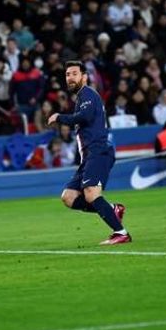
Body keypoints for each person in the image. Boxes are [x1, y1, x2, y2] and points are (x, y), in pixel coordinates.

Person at [48, 60, 130, 245]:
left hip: (98, 151)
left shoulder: (88, 95)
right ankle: (112, 209)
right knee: (68, 197)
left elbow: (83, 117)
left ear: (84, 76)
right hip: (88, 157)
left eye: (74, 73)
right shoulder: (81, 98)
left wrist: (59, 117)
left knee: (91, 194)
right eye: (68, 74)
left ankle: (121, 233)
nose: (70, 77)